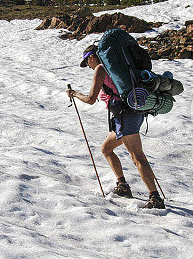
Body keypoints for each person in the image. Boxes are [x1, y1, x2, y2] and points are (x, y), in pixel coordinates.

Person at [67, 44, 165, 208]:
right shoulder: (117, 67)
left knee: (137, 156)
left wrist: (75, 94)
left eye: (87, 62)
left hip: (126, 115)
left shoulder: (100, 68)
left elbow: (91, 99)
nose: (89, 67)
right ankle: (123, 186)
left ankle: (155, 198)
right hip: (131, 113)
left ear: (92, 57)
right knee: (106, 148)